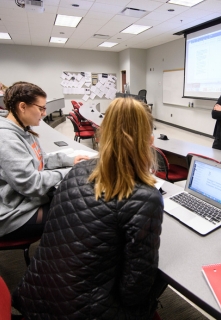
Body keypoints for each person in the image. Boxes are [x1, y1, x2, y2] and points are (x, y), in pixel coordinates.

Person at [13, 97, 166, 319]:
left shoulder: (79, 169)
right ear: (150, 140)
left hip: (38, 294)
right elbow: (134, 291)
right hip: (83, 311)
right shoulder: (146, 197)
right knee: (158, 279)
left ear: (102, 134)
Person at [0, 81, 89, 240]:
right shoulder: (6, 139)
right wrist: (69, 171)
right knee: (79, 215)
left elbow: (41, 159)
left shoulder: (24, 129)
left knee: (78, 201)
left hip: (26, 201)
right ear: (22, 107)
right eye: (41, 108)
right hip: (14, 213)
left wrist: (71, 160)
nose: (44, 113)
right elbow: (32, 184)